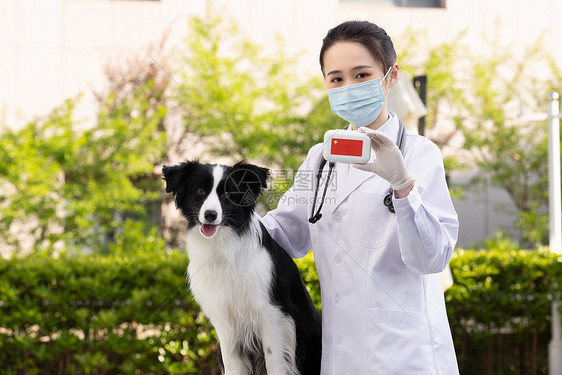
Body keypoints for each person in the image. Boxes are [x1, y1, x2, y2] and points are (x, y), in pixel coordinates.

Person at [259, 20, 460, 374]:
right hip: (341, 356)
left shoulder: (419, 154)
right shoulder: (320, 159)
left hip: (406, 356)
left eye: (362, 74)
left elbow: (432, 257)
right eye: (336, 78)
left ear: (391, 75)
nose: (348, 87)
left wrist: (403, 187)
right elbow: (281, 235)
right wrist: (222, 218)